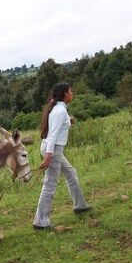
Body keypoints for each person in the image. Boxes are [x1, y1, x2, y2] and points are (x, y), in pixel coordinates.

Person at [33, 82, 92, 230]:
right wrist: (48, 157)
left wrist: (68, 122)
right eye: (70, 91)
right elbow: (53, 135)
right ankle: (40, 222)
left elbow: (55, 129)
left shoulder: (59, 109)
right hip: (53, 150)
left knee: (71, 173)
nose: (72, 93)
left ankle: (80, 206)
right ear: (65, 94)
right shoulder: (59, 111)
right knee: (50, 183)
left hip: (50, 148)